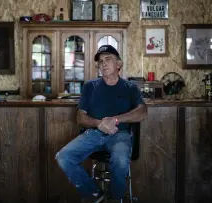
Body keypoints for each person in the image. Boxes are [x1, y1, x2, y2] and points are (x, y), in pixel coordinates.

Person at [55, 45, 148, 203]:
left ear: (119, 64)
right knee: (64, 156)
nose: (103, 63)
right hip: (93, 134)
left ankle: (115, 199)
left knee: (120, 159)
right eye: (100, 61)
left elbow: (142, 112)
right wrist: (100, 123)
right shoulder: (90, 86)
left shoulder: (130, 88)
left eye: (108, 59)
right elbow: (80, 117)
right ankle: (95, 195)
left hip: (120, 135)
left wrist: (115, 120)